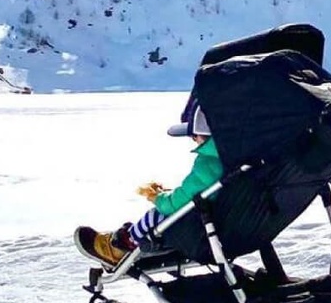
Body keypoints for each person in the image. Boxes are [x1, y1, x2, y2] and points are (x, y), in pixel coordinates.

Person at [74, 98, 223, 267]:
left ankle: (123, 245)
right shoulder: (238, 161)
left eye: (194, 135)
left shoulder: (208, 164)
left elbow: (175, 204)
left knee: (155, 216)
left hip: (202, 228)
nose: (193, 139)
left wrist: (158, 197)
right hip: (226, 223)